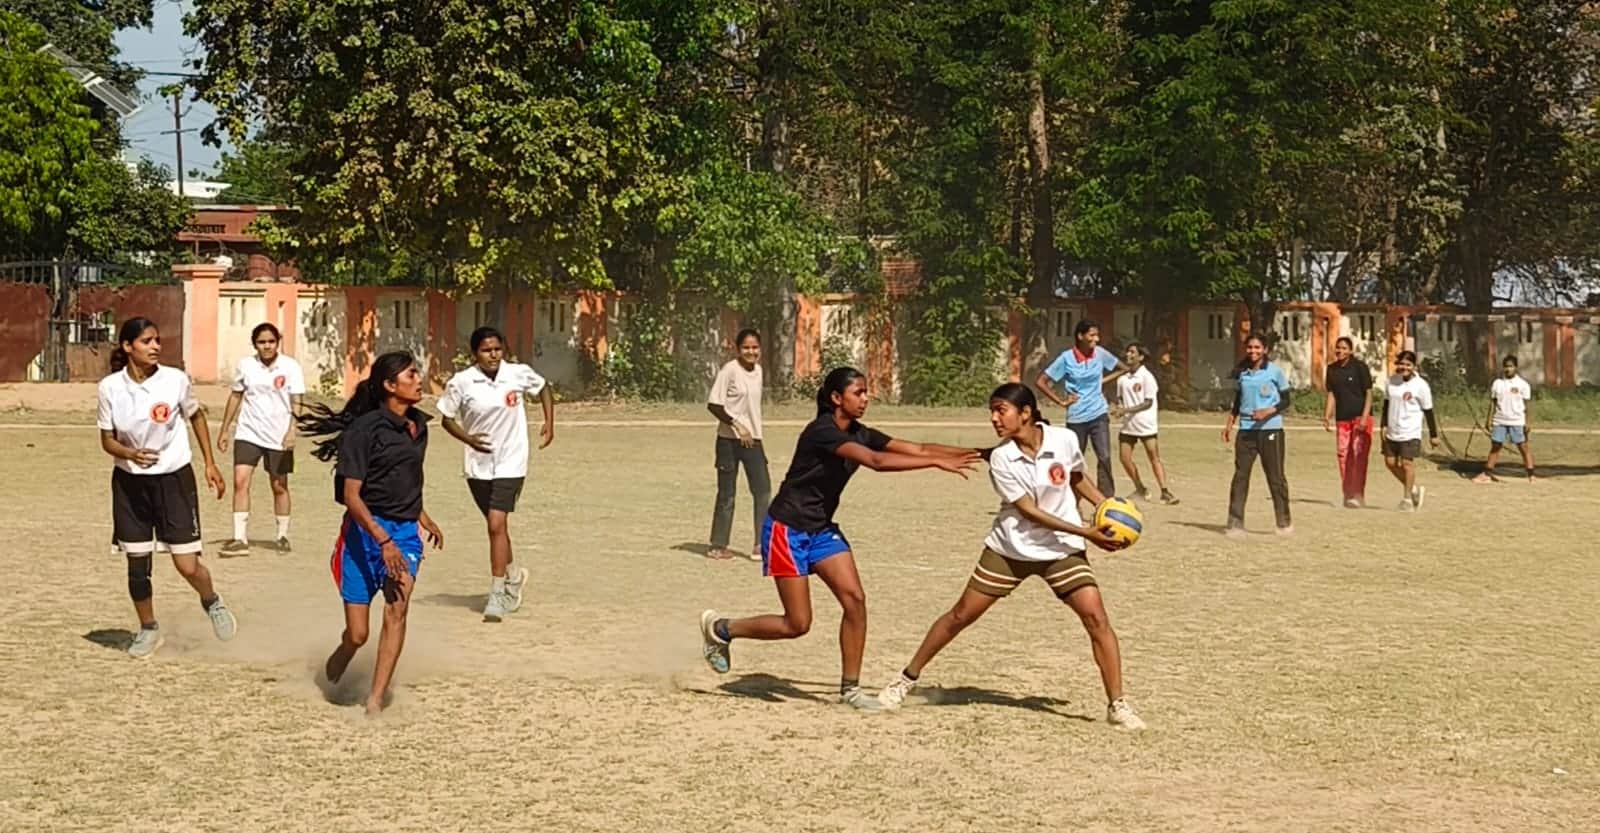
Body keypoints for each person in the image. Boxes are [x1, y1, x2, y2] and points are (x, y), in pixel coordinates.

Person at [697, 367, 980, 710]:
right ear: (836, 398)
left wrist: (973, 453)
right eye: (858, 392)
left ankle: (851, 690)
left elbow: (915, 447)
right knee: (797, 624)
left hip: (821, 529)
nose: (865, 399)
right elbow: (876, 462)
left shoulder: (860, 432)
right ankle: (723, 629)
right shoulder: (822, 432)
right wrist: (935, 463)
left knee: (855, 601)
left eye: (865, 392)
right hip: (787, 529)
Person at [876, 383, 1145, 730]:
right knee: (960, 616)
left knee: (1096, 618)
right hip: (1011, 549)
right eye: (992, 411)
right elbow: (1029, 512)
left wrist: (1107, 508)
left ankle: (1117, 704)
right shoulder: (1003, 458)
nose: (994, 419)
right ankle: (905, 680)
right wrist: (1087, 532)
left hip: (1060, 549)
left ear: (1027, 412)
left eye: (1001, 410)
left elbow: (1076, 477)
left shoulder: (1064, 440)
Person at [301, 351, 445, 715]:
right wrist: (382, 540)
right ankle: (328, 678)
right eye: (411, 375)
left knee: (397, 609)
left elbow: (404, 477)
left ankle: (375, 700)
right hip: (363, 532)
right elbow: (352, 496)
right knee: (358, 635)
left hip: (405, 534)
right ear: (389, 385)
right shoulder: (363, 432)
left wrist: (421, 516)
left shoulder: (419, 426)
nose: (418, 379)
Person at [97, 317, 237, 658]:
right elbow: (106, 441)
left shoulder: (175, 380)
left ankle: (212, 601)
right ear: (128, 346)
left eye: (157, 340)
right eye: (147, 341)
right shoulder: (110, 388)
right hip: (130, 485)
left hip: (174, 479)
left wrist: (210, 463)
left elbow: (197, 416)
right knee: (137, 564)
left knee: (186, 564)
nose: (156, 346)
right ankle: (148, 628)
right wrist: (129, 453)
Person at [438, 327, 554, 622]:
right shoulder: (462, 382)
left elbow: (543, 388)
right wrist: (469, 439)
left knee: (495, 523)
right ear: (474, 353)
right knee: (497, 528)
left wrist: (549, 423)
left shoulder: (517, 374)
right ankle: (514, 574)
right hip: (478, 465)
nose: (493, 355)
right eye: (486, 350)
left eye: (497, 349)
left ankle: (497, 593)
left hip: (511, 462)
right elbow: (446, 419)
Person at [217, 322, 306, 554]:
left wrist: (292, 430)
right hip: (248, 432)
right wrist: (225, 429)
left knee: (279, 485)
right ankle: (239, 538)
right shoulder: (246, 365)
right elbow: (236, 396)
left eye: (271, 342)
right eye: (261, 342)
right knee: (240, 480)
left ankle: (282, 535)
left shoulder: (290, 367)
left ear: (278, 342)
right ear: (254, 344)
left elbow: (297, 400)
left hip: (278, 435)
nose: (266, 346)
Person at [1035, 319, 1127, 497]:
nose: (1096, 339)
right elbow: (1041, 381)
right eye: (1092, 335)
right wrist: (1061, 401)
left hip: (1099, 413)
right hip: (1076, 417)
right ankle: (1072, 502)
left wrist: (1101, 382)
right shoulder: (1066, 358)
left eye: (1097, 335)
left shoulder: (1100, 354)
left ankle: (1106, 500)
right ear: (1080, 336)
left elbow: (1122, 368)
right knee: (1075, 462)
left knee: (1105, 457)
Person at [705, 328, 771, 561]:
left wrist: (749, 429)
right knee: (727, 494)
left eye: (754, 348)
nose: (751, 352)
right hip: (728, 442)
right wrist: (736, 425)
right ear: (737, 349)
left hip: (753, 440)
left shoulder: (759, 371)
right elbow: (714, 405)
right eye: (746, 348)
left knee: (763, 491)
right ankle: (718, 545)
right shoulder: (729, 371)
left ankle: (760, 545)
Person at [1222, 335, 1293, 536]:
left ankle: (1283, 521)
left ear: (1265, 349)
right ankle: (1235, 522)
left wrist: (1267, 411)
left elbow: (1286, 401)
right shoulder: (1242, 373)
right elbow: (1238, 400)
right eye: (1250, 347)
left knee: (1275, 477)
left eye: (1257, 347)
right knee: (1240, 476)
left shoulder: (1274, 372)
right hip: (1246, 430)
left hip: (1271, 430)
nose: (1253, 351)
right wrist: (1229, 423)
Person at [1112, 342, 1178, 505]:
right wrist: (1120, 406)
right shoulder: (1122, 379)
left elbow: (1147, 403)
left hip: (1146, 425)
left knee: (1153, 457)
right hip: (1128, 426)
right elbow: (1120, 397)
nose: (1129, 355)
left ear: (1141, 357)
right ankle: (1140, 488)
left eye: (1133, 352)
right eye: (1128, 352)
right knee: (1124, 458)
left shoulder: (1147, 377)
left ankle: (1165, 491)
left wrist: (1126, 410)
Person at [1381, 350, 1440, 511]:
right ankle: (1413, 489)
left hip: (1410, 431)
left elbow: (1428, 411)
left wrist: (1434, 435)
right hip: (1393, 430)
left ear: (1414, 366)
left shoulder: (1421, 386)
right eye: (1401, 364)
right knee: (1390, 463)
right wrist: (1384, 425)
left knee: (1407, 463)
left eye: (1408, 364)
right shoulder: (1391, 381)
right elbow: (1386, 405)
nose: (1404, 367)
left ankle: (1407, 499)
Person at [1322, 336, 1374, 508]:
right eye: (1338, 348)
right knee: (1343, 455)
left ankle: (1359, 494)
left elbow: (1368, 393)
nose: (1340, 351)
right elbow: (1332, 394)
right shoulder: (1331, 369)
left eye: (1344, 348)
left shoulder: (1360, 367)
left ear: (1350, 350)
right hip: (1342, 418)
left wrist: (1365, 417)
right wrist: (1327, 415)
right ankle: (1348, 493)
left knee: (1358, 456)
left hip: (1361, 417)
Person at [1474, 355, 1538, 483]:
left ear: (1516, 367)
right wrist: (1489, 419)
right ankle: (1487, 474)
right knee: (1496, 446)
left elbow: (1527, 405)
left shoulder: (1523, 385)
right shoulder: (1497, 384)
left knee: (1523, 447)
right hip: (1500, 420)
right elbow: (1493, 403)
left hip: (1517, 420)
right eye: (1506, 366)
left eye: (1511, 366)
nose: (1508, 369)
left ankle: (1531, 474)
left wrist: (1528, 422)